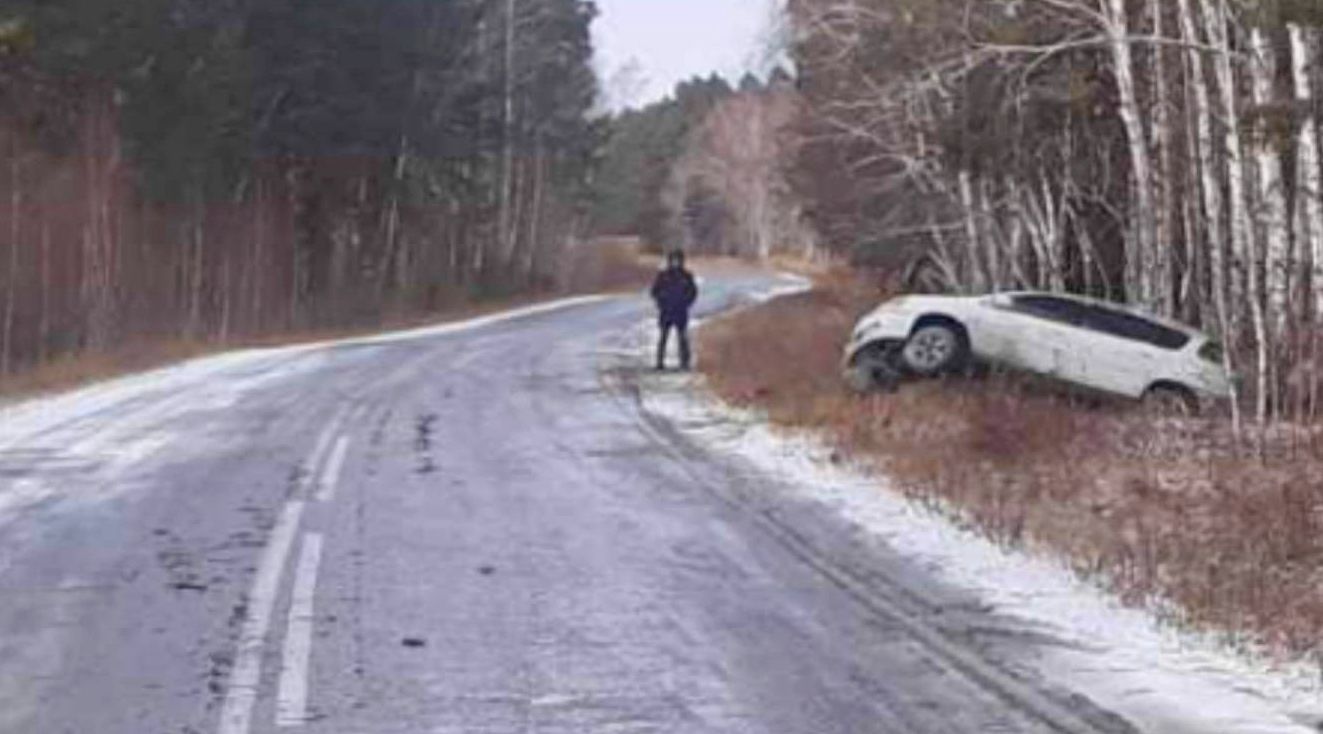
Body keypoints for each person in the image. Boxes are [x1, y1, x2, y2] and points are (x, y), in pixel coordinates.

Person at [650, 250, 699, 371]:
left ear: (681, 261)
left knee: (682, 337)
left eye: (677, 260)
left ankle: (685, 362)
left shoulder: (686, 276)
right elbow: (654, 291)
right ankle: (659, 361)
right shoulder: (663, 276)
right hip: (666, 311)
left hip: (681, 311)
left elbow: (693, 292)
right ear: (669, 261)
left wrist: (686, 303)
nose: (675, 263)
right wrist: (661, 303)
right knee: (663, 337)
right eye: (673, 260)